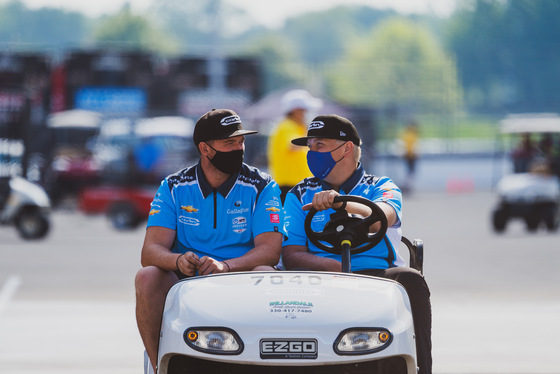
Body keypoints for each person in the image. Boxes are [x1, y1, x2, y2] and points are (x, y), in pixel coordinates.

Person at [135, 109, 285, 373]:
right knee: (147, 277)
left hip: (241, 275)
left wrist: (225, 266)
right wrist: (179, 261)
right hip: (188, 279)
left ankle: (266, 365)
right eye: (230, 143)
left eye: (241, 142)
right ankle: (159, 365)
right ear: (205, 148)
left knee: (265, 272)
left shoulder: (263, 185)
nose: (239, 148)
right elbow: (150, 251)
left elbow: (270, 251)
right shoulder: (173, 186)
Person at [281, 114, 432, 374]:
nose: (312, 153)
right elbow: (292, 254)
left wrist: (341, 202)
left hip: (376, 276)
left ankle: (423, 368)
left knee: (411, 279)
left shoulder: (381, 185)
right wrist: (334, 267)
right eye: (311, 147)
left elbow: (385, 216)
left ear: (346, 148)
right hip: (317, 279)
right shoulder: (298, 194)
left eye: (320, 146)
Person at [268, 89, 322, 202]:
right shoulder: (287, 126)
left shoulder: (296, 127)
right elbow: (292, 145)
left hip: (296, 184)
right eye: (304, 110)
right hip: (289, 186)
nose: (307, 114)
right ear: (295, 110)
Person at [401, 120, 419, 192]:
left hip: (408, 155)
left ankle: (408, 185)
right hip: (411, 155)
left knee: (410, 171)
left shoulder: (405, 135)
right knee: (411, 171)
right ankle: (408, 185)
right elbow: (414, 146)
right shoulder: (412, 135)